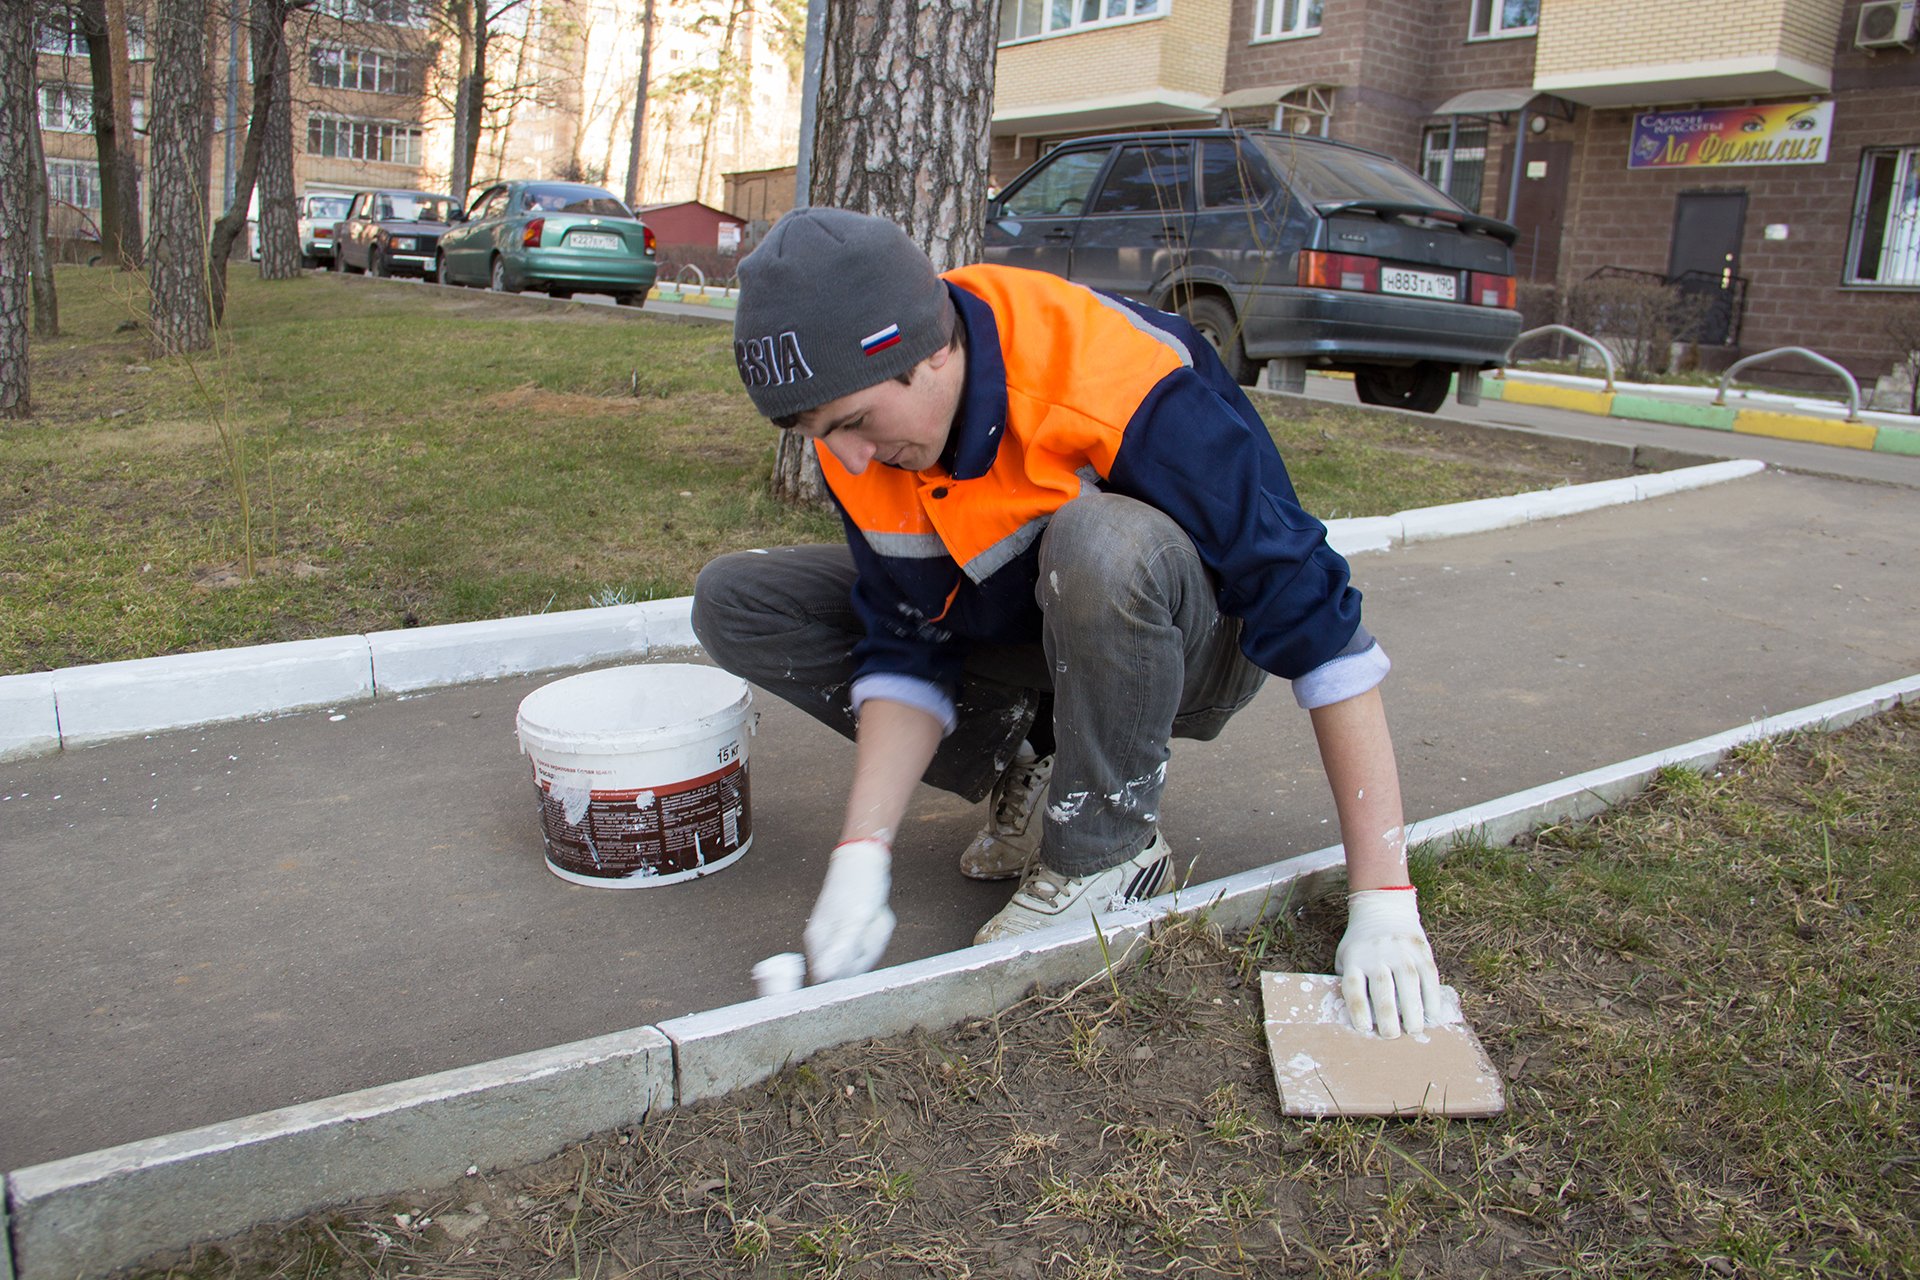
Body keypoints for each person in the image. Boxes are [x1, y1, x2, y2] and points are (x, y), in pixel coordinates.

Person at [691, 208, 1444, 1037]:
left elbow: (1316, 618)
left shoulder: (1114, 373)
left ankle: (1106, 849)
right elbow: (908, 642)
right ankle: (1039, 763)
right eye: (821, 436)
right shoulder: (862, 436)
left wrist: (1383, 900)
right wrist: (861, 854)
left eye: (856, 423)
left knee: (1101, 539)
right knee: (739, 599)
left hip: (1194, 647)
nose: (852, 458)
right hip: (1035, 625)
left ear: (930, 349)